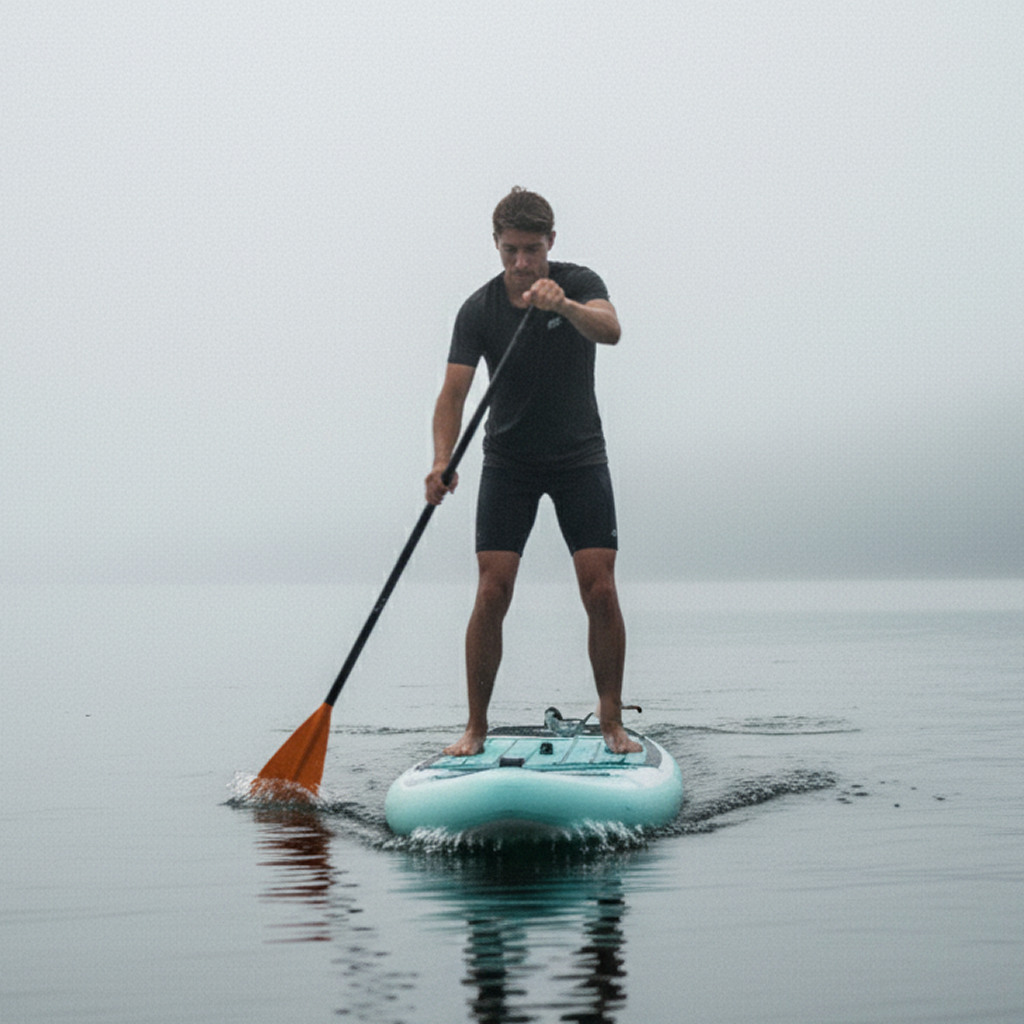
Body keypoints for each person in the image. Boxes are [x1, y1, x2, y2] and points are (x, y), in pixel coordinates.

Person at [425, 187, 641, 757]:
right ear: (496, 246)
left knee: (599, 587)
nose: (522, 264)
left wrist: (563, 307)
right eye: (511, 251)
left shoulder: (580, 281)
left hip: (579, 458)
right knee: (492, 590)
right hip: (509, 463)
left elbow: (611, 330)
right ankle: (475, 727)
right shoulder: (478, 310)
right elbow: (453, 393)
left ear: (552, 243)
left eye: (532, 250)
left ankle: (611, 719)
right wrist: (442, 459)